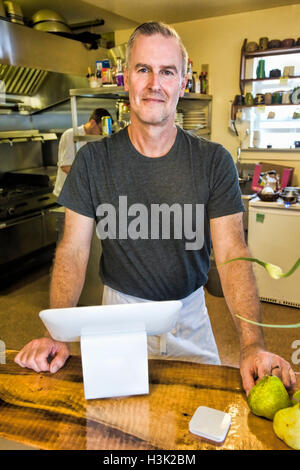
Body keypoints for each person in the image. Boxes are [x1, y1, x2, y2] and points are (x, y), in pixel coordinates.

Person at [15, 22, 296, 396]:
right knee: (115, 428)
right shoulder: (93, 161)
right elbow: (73, 249)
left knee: (198, 420)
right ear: (126, 78)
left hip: (190, 315)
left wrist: (252, 344)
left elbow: (233, 254)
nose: (154, 84)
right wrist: (57, 333)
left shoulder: (213, 161)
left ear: (182, 82)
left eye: (167, 72)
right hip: (118, 314)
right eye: (143, 69)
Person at [53, 108, 112, 197]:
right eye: (100, 130)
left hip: (82, 194)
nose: (101, 134)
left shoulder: (93, 138)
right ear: (92, 123)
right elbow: (66, 167)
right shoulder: (71, 134)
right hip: (68, 194)